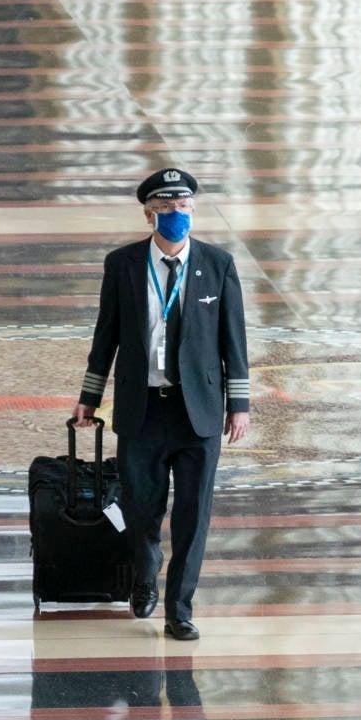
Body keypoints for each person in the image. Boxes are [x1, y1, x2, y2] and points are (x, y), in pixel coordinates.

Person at [72, 168, 253, 641]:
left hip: (200, 413)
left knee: (194, 513)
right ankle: (144, 575)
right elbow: (105, 335)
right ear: (149, 212)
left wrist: (240, 404)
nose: (178, 214)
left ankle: (180, 609)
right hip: (142, 409)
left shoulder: (218, 264)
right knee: (142, 507)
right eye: (168, 207)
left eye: (185, 206)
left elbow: (233, 339)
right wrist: (89, 398)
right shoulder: (124, 264)